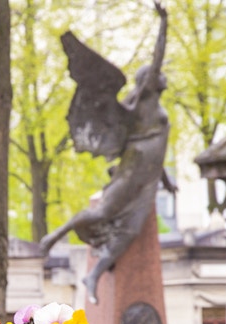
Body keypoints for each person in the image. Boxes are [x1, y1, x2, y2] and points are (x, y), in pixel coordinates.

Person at [40, 2, 175, 303]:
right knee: (102, 211)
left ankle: (94, 274)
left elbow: (160, 148)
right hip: (134, 166)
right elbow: (157, 57)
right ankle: (53, 236)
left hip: (149, 177)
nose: (163, 76)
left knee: (131, 229)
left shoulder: (157, 109)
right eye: (157, 75)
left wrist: (165, 180)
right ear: (148, 81)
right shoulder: (144, 99)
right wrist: (163, 22)